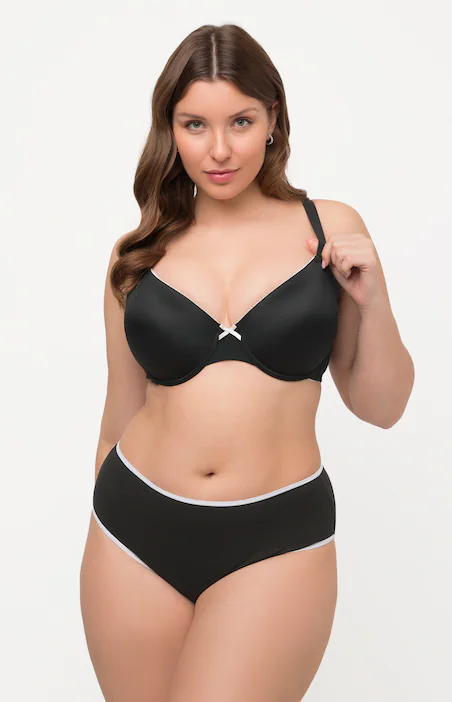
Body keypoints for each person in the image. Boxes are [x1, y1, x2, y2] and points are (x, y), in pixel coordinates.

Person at [79, 23, 414, 702]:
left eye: (241, 121)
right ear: (170, 129)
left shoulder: (329, 228)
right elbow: (119, 412)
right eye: (195, 125)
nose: (220, 149)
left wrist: (373, 302)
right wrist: (106, 518)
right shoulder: (136, 254)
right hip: (132, 533)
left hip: (276, 537)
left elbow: (381, 408)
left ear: (273, 120)